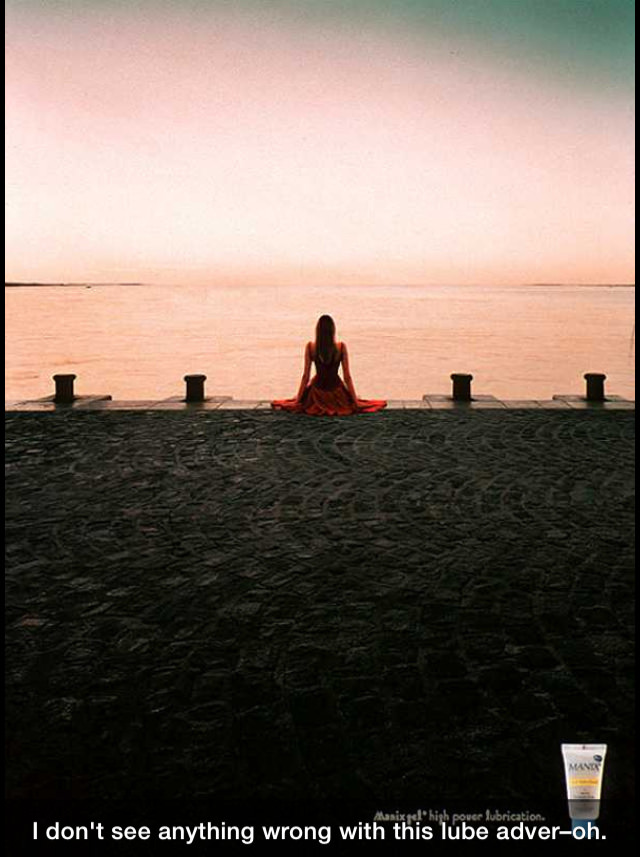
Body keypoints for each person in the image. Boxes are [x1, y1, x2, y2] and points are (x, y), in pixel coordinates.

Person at [271, 315, 387, 416]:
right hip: (337, 392)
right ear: (333, 330)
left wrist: (298, 400)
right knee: (351, 404)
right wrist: (355, 400)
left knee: (304, 399)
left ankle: (301, 400)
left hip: (316, 393)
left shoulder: (311, 347)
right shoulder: (341, 347)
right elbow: (347, 377)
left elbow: (305, 376)